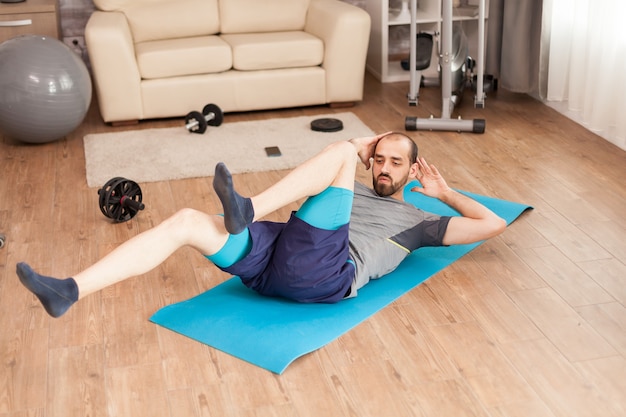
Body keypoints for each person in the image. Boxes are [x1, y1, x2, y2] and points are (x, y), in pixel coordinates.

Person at [16, 132, 506, 318]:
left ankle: (247, 208)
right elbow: (332, 180)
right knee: (187, 221)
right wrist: (357, 152)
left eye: (395, 162)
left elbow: (493, 223)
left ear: (411, 170)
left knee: (335, 150)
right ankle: (70, 290)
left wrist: (443, 195)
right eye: (377, 158)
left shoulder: (420, 221)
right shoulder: (344, 192)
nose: (382, 167)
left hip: (326, 273)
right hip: (277, 258)